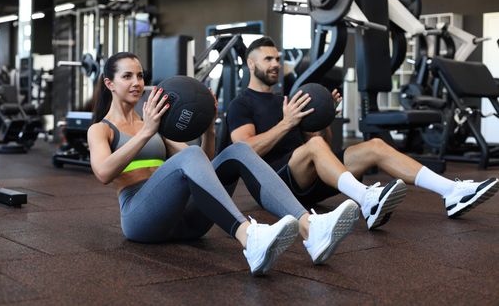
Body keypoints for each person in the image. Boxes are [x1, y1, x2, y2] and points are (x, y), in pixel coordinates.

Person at [87, 52, 360, 276]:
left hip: (186, 222)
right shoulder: (102, 129)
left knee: (237, 150)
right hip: (141, 219)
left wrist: (209, 130)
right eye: (127, 76)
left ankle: (310, 228)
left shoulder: (156, 125)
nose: (136, 82)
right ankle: (249, 238)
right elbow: (103, 173)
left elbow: (201, 166)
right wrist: (147, 131)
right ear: (110, 84)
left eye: (139, 76)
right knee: (188, 156)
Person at [227, 37, 498, 229]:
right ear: (252, 65)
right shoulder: (242, 104)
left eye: (277, 58)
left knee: (375, 146)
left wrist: (322, 120)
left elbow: (320, 145)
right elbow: (244, 152)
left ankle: (451, 192)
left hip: (304, 178)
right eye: (268, 59)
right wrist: (286, 123)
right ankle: (365, 198)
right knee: (315, 147)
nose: (275, 63)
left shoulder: (287, 100)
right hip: (274, 184)